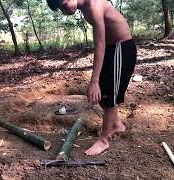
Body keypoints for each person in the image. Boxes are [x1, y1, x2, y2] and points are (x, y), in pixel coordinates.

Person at [46, 0, 137, 155]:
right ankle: (116, 124)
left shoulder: (93, 6)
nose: (64, 11)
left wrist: (94, 81)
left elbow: (99, 44)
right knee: (100, 95)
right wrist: (96, 83)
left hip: (121, 48)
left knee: (108, 97)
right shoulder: (84, 7)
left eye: (63, 5)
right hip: (111, 49)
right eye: (61, 9)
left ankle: (103, 140)